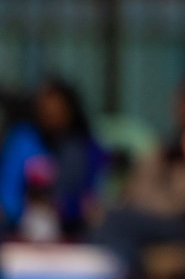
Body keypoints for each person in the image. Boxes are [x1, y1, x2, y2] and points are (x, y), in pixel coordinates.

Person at [93, 79, 185, 279]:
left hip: (178, 225)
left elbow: (178, 202)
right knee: (121, 243)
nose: (182, 109)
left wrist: (143, 196)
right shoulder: (169, 144)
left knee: (113, 221)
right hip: (149, 219)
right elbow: (135, 187)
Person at [0, 76, 107, 241]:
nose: (51, 114)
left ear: (70, 110)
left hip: (71, 225)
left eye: (57, 108)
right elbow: (8, 191)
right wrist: (25, 213)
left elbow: (92, 195)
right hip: (22, 225)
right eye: (45, 108)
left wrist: (63, 209)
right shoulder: (24, 139)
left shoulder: (85, 146)